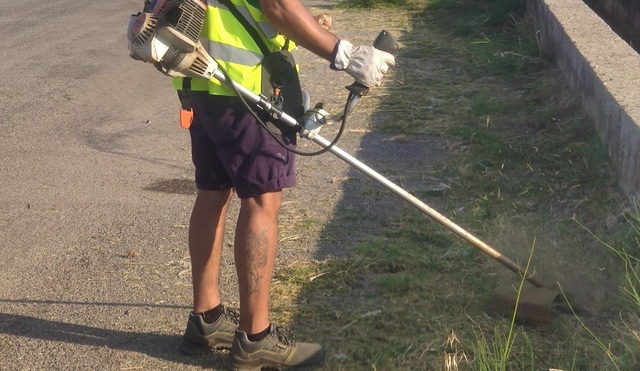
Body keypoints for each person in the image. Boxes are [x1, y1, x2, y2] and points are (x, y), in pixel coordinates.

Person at [174, 0, 395, 369]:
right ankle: (255, 338)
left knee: (213, 193)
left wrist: (304, 24)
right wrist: (345, 52)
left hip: (201, 78)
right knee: (262, 203)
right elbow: (276, 5)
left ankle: (206, 318)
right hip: (246, 90)